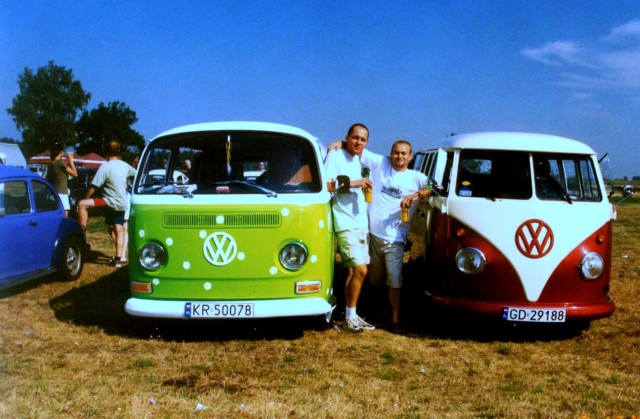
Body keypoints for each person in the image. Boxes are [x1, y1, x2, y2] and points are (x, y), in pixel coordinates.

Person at [360, 141, 430, 333]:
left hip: (396, 240)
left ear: (410, 156)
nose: (399, 156)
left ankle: (396, 320)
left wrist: (415, 195)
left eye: (403, 153)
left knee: (394, 281)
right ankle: (382, 316)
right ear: (390, 154)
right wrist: (340, 143)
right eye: (396, 153)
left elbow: (434, 187)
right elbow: (357, 148)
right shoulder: (380, 163)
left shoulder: (416, 177)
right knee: (376, 281)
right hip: (374, 235)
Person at [324, 123, 375, 333]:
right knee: (361, 270)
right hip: (345, 223)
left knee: (353, 271)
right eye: (355, 138)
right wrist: (355, 183)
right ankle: (350, 317)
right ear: (347, 137)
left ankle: (349, 315)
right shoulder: (335, 156)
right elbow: (328, 185)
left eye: (363, 139)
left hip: (360, 222)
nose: (358, 142)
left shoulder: (357, 159)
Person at [78, 141, 136, 268]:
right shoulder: (125, 165)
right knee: (118, 229)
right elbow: (137, 174)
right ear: (119, 152)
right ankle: (118, 259)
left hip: (108, 202)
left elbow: (93, 187)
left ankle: (81, 238)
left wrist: (87, 198)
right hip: (122, 203)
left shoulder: (105, 167)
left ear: (107, 153)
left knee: (82, 204)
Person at [46, 142, 78, 217]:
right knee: (64, 217)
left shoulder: (50, 164)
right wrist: (71, 160)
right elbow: (75, 174)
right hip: (62, 194)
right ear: (61, 152)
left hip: (53, 193)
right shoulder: (60, 162)